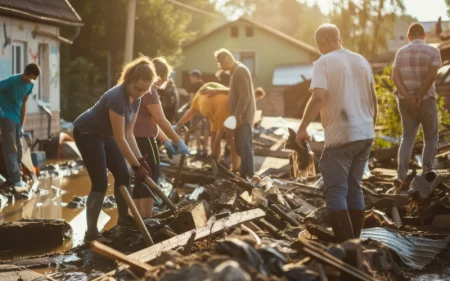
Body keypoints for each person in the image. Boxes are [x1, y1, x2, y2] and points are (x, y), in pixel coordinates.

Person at [296, 24, 377, 242]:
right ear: (339, 39)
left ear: (322, 43)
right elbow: (373, 98)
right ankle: (355, 243)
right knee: (354, 187)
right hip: (365, 133)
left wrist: (302, 127)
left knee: (336, 191)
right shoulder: (361, 60)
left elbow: (319, 97)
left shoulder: (323, 62)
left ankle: (347, 247)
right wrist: (369, 127)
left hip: (341, 136)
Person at [73, 56, 156, 242]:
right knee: (100, 182)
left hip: (105, 134)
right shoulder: (117, 97)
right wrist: (136, 166)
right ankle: (91, 233)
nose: (141, 93)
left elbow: (129, 133)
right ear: (129, 81)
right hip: (87, 133)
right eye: (138, 88)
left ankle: (124, 219)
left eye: (145, 90)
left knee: (123, 175)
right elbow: (120, 138)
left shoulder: (136, 98)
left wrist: (139, 161)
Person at [133, 57, 189, 218]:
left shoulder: (141, 89)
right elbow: (161, 120)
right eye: (166, 77)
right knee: (152, 175)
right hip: (145, 140)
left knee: (140, 176)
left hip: (135, 138)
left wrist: (166, 141)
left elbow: (150, 121)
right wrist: (179, 141)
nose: (167, 81)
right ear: (159, 76)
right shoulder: (151, 91)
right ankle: (147, 216)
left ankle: (139, 215)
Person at [392, 23, 441, 186]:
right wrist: (419, 96)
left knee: (407, 138)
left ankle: (401, 176)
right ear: (424, 35)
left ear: (409, 36)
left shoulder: (400, 52)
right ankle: (427, 172)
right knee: (431, 137)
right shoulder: (433, 51)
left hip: (406, 102)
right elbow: (432, 76)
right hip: (426, 100)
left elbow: (395, 77)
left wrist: (408, 97)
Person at [205, 48, 256, 180]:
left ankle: (248, 176)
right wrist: (218, 91)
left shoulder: (240, 71)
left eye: (220, 64)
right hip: (238, 115)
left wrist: (237, 115)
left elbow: (245, 97)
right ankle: (245, 174)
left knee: (244, 147)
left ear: (226, 60)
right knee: (239, 147)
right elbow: (233, 91)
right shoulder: (234, 71)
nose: (220, 67)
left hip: (242, 116)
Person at [174, 82, 242, 171]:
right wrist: (178, 124)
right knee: (213, 139)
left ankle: (235, 168)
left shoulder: (222, 104)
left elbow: (220, 132)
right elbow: (191, 112)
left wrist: (212, 152)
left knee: (232, 140)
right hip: (213, 112)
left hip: (229, 111)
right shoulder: (198, 98)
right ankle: (216, 164)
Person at [0, 63, 40, 189]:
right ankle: (15, 179)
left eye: (33, 79)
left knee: (20, 149)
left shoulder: (30, 85)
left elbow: (24, 104)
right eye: (30, 77)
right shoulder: (13, 80)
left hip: (17, 118)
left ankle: (16, 177)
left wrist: (22, 124)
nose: (31, 80)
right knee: (10, 148)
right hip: (6, 116)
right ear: (25, 73)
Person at [188, 69, 209, 156]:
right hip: (205, 108)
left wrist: (189, 105)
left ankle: (198, 148)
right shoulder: (204, 85)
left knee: (197, 128)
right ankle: (205, 149)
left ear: (194, 76)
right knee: (205, 129)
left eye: (191, 76)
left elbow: (192, 98)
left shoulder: (194, 85)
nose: (190, 78)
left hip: (196, 109)